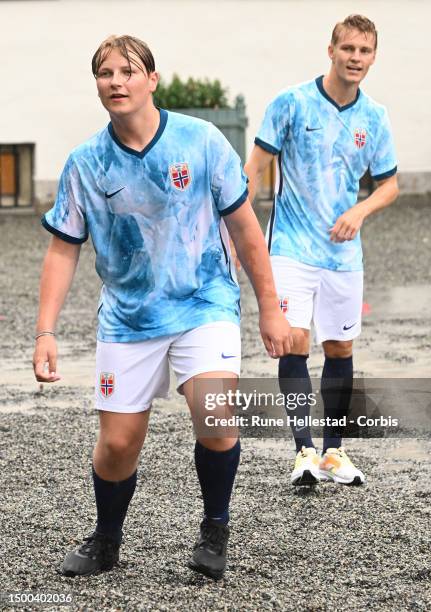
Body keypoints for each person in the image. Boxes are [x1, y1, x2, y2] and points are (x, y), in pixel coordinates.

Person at [33, 34, 291, 580]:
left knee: (217, 416)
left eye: (128, 71)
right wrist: (45, 332)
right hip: (128, 319)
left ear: (152, 79)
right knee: (118, 445)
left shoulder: (200, 141)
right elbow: (63, 248)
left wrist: (270, 308)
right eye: (105, 74)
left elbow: (245, 229)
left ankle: (214, 532)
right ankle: (106, 542)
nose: (116, 82)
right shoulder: (86, 162)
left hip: (205, 301)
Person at [245, 15, 399, 486]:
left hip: (343, 254)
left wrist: (360, 211)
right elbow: (253, 170)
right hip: (291, 246)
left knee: (340, 346)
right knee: (293, 342)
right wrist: (237, 233)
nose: (356, 58)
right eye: (348, 48)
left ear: (373, 57)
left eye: (365, 51)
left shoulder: (375, 117)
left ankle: (334, 451)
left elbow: (390, 184)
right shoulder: (291, 104)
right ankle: (303, 452)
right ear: (330, 50)